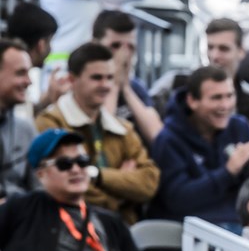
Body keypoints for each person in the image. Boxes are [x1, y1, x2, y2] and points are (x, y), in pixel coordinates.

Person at [0, 128, 145, 251]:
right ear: (41, 174)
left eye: (82, 161)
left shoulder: (109, 221)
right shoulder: (22, 207)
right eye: (64, 164)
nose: (76, 169)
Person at [36, 43, 160, 225]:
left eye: (110, 78)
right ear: (72, 79)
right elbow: (63, 187)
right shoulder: (50, 123)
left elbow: (149, 183)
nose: (105, 85)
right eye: (96, 78)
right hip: (71, 227)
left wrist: (97, 175)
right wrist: (122, 193)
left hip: (122, 230)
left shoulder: (123, 128)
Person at [148, 65, 249, 231]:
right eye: (216, 98)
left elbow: (247, 192)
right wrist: (228, 172)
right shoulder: (168, 139)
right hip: (187, 229)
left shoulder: (239, 127)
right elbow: (178, 200)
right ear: (192, 101)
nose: (225, 105)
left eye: (230, 96)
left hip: (236, 223)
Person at [92, 10, 163, 145]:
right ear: (95, 45)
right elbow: (101, 135)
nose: (124, 53)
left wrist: (126, 88)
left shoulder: (136, 87)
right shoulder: (87, 86)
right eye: (115, 46)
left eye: (130, 47)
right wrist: (114, 84)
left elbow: (158, 137)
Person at [0, 39, 37, 200]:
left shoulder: (25, 129)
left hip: (22, 212)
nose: (29, 81)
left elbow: (41, 190)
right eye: (21, 73)